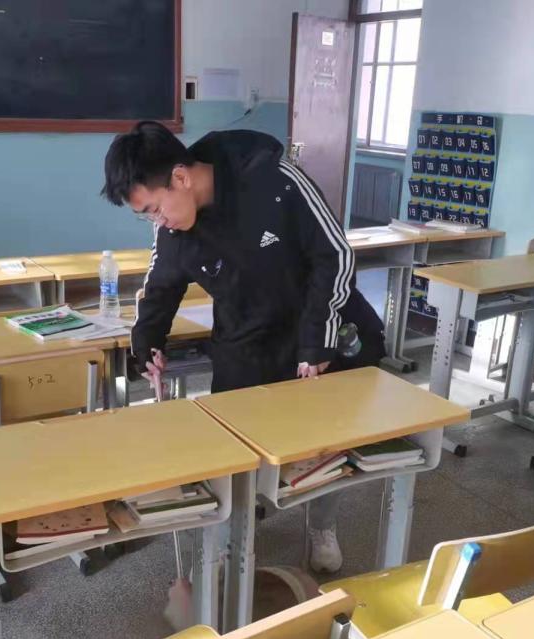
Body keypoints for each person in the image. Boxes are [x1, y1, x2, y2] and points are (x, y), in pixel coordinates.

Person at [101, 121, 385, 573]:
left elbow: (334, 255)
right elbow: (161, 285)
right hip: (246, 334)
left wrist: (317, 342)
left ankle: (321, 525)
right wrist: (147, 341)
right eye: (147, 216)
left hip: (312, 323)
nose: (158, 221)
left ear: (180, 177)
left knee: (324, 446)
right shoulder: (173, 229)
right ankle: (230, 541)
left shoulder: (277, 181)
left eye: (155, 209)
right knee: (231, 450)